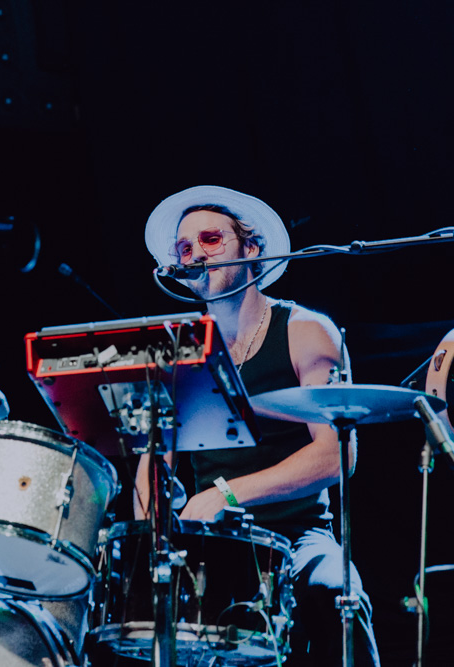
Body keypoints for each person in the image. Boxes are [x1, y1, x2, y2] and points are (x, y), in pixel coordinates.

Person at [137, 186, 380, 666]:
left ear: (252, 248)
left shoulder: (304, 329)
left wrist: (225, 493)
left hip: (299, 534)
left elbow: (336, 453)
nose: (195, 254)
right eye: (185, 249)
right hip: (214, 541)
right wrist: (155, 528)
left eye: (209, 239)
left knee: (337, 596)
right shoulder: (177, 353)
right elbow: (153, 462)